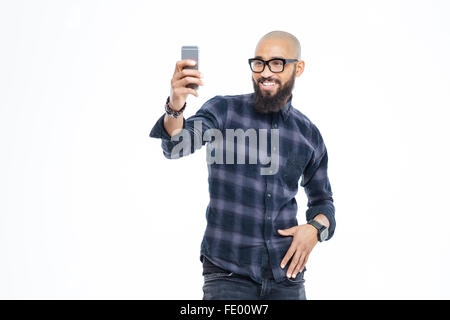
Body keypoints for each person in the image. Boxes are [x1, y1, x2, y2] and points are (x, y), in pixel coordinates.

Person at [149, 30, 336, 300]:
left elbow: (324, 203)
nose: (265, 72)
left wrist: (315, 230)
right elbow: (176, 146)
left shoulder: (308, 134)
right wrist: (176, 106)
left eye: (277, 63)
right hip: (227, 276)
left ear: (298, 68)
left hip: (287, 279)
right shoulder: (224, 112)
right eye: (259, 63)